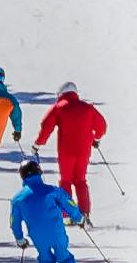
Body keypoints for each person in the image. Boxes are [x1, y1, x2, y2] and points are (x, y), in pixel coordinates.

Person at [6, 158, 89, 263]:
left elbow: (14, 222)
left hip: (38, 237)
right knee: (64, 257)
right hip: (56, 232)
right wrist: (79, 218)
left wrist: (20, 239)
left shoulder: (17, 199)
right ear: (39, 172)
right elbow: (68, 204)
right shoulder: (52, 191)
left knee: (46, 260)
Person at [35, 84, 110, 221]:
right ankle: (84, 213)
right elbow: (102, 125)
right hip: (83, 152)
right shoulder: (88, 108)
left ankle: (67, 214)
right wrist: (96, 138)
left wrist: (38, 144)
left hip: (66, 152)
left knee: (65, 181)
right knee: (80, 181)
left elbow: (46, 126)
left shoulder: (59, 107)